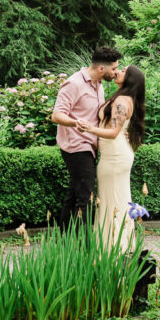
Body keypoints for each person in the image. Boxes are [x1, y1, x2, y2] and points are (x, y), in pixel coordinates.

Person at [51, 46, 121, 229]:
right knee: (86, 197)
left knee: (74, 193)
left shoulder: (98, 86)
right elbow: (57, 115)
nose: (115, 73)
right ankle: (85, 247)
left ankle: (64, 241)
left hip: (89, 146)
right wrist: (76, 123)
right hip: (76, 147)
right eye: (113, 69)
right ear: (101, 69)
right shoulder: (74, 84)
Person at [78, 65, 145, 252]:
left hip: (115, 158)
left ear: (130, 79)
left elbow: (113, 132)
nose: (118, 72)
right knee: (111, 202)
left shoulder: (123, 102)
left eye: (123, 71)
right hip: (111, 156)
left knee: (114, 203)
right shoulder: (122, 98)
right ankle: (114, 249)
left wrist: (88, 129)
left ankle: (115, 251)